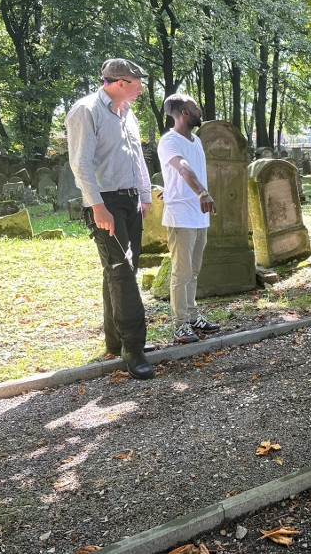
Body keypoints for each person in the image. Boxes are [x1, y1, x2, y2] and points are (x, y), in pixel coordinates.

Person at [66, 58, 154, 380]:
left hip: (130, 200)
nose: (142, 89)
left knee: (121, 269)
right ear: (119, 82)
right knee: (121, 271)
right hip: (106, 202)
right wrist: (97, 207)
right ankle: (134, 347)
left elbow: (136, 158)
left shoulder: (128, 114)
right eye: (137, 82)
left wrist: (144, 196)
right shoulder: (86, 110)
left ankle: (115, 340)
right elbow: (81, 165)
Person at [157, 93, 221, 343]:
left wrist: (169, 187)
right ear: (184, 113)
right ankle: (180, 324)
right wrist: (202, 192)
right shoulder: (169, 140)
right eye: (195, 107)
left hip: (199, 215)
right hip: (181, 216)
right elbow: (182, 167)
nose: (200, 110)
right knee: (181, 273)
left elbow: (177, 173)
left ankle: (193, 316)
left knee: (194, 271)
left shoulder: (195, 141)